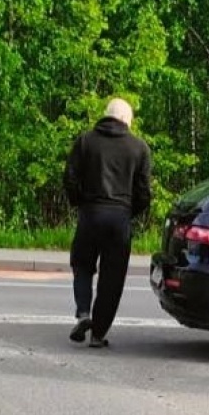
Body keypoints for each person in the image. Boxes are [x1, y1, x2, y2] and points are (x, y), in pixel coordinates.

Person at [64, 98, 152, 348]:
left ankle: (83, 313)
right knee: (112, 279)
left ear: (107, 115)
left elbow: (70, 178)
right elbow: (144, 192)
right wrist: (129, 212)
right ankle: (98, 334)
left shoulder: (85, 141)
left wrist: (80, 202)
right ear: (126, 120)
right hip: (119, 218)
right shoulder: (139, 148)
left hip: (90, 213)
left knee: (82, 265)